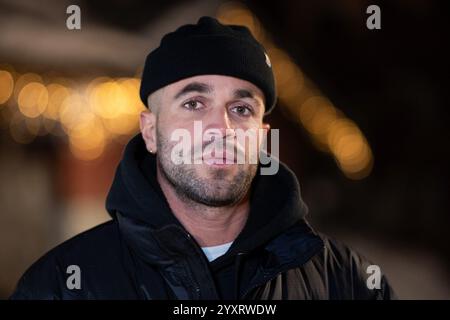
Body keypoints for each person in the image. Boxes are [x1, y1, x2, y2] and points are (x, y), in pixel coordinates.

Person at [10, 16, 395, 300]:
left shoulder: (345, 282)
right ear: (150, 131)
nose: (220, 127)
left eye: (242, 109)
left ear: (262, 136)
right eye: (194, 103)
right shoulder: (62, 285)